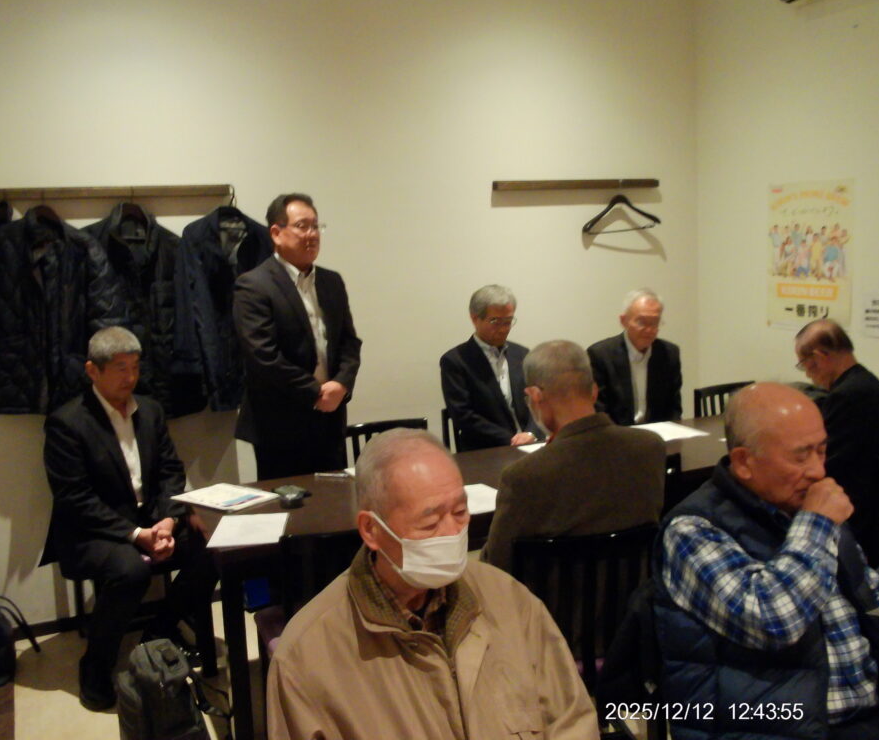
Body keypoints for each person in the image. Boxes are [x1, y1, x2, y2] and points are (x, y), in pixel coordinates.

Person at [266, 429, 600, 739]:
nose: (452, 532)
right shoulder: (307, 659)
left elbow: (572, 718)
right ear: (372, 530)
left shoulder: (509, 599)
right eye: (429, 523)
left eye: (460, 511)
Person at [654, 382, 879, 740]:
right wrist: (817, 524)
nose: (818, 471)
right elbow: (773, 623)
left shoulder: (808, 508)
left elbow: (867, 600)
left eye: (821, 451)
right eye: (800, 457)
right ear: (744, 462)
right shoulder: (693, 530)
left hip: (871, 717)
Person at [41, 327, 218, 711]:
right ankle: (95, 666)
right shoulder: (67, 422)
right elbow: (75, 499)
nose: (131, 377)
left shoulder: (149, 410)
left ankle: (159, 631)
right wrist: (136, 534)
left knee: (212, 549)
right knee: (130, 572)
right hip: (93, 531)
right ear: (93, 370)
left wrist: (167, 522)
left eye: (135, 367)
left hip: (151, 520)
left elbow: (170, 471)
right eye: (120, 368)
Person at [480, 340, 665, 573]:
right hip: (635, 591)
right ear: (594, 391)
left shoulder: (523, 476)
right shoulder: (650, 448)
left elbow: (497, 564)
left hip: (548, 597)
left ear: (535, 396)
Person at [233, 193, 361, 479]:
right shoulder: (253, 285)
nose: (312, 234)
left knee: (335, 496)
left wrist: (342, 384)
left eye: (316, 226)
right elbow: (263, 356)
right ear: (276, 233)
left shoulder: (331, 281)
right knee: (290, 501)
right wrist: (315, 392)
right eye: (302, 226)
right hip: (280, 423)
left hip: (330, 416)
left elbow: (349, 343)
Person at [795, 319, 879, 549]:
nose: (807, 375)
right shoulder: (867, 384)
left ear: (820, 357)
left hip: (862, 513)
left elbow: (825, 464)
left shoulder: (849, 396)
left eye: (804, 364)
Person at [439, 284, 543, 450]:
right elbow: (463, 416)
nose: (503, 329)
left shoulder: (522, 354)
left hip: (530, 444)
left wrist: (531, 433)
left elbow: (538, 400)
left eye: (508, 321)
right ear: (475, 319)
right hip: (486, 450)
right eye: (495, 321)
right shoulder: (456, 361)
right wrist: (512, 440)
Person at [586, 288, 682, 426]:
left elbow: (674, 408)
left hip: (659, 433)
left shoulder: (669, 353)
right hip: (617, 434)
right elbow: (599, 410)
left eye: (654, 322)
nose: (649, 329)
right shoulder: (600, 355)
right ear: (623, 321)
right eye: (641, 322)